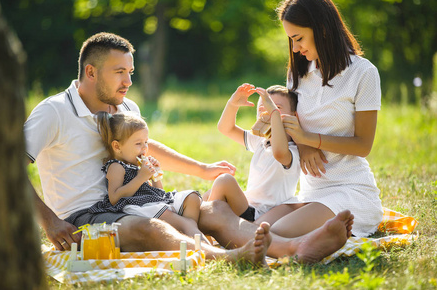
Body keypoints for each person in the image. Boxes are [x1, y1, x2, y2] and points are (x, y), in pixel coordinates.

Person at [24, 32, 271, 266]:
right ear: (91, 72)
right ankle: (230, 257)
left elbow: (144, 148)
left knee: (212, 210)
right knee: (149, 227)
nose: (129, 82)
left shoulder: (126, 107)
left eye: (130, 72)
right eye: (119, 72)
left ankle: (290, 249)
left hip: (134, 202)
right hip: (84, 219)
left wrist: (202, 169)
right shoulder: (53, 111)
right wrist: (49, 221)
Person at [245, 0, 383, 238]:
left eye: (299, 38)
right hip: (312, 192)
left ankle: (323, 238)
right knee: (254, 229)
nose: (295, 48)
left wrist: (310, 139)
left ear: (322, 29)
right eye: (291, 41)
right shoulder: (298, 73)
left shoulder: (364, 73)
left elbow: (363, 145)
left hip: (350, 189)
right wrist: (303, 145)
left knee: (275, 233)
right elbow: (291, 123)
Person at [88, 111, 209, 243]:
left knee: (192, 198)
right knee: (186, 223)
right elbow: (114, 198)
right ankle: (196, 239)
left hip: (154, 202)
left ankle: (187, 232)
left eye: (146, 142)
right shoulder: (116, 167)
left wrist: (155, 177)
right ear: (117, 146)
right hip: (139, 207)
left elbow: (159, 193)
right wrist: (141, 177)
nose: (144, 148)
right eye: (138, 144)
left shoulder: (137, 165)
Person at [203, 84, 301, 224]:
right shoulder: (261, 142)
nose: (267, 113)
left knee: (225, 181)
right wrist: (232, 104)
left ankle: (207, 225)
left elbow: (279, 153)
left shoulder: (293, 152)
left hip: (259, 216)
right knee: (207, 195)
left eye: (276, 108)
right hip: (246, 206)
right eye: (262, 109)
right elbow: (226, 128)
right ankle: (198, 224)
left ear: (294, 115)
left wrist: (274, 115)